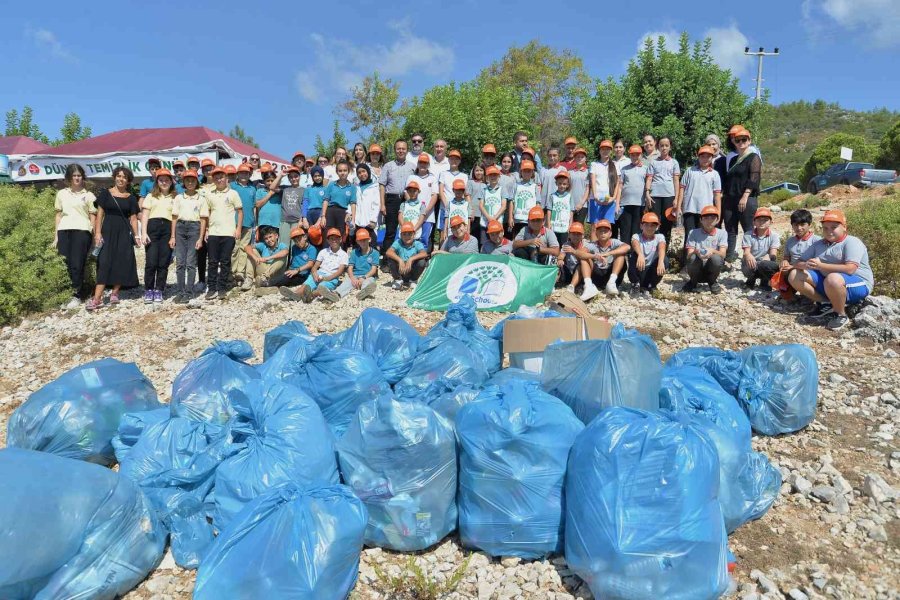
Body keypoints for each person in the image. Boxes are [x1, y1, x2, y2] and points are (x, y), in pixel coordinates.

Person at [789, 209, 873, 330]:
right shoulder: (819, 244)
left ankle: (841, 315)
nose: (829, 231)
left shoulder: (852, 242)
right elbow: (797, 263)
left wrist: (820, 266)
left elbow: (850, 269)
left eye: (834, 227)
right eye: (825, 228)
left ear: (844, 227)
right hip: (830, 283)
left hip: (858, 283)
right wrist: (807, 265)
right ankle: (826, 304)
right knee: (795, 275)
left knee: (833, 278)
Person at [87, 166, 140, 311]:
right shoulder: (105, 194)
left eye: (124, 177)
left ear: (128, 181)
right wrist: (97, 233)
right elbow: (100, 214)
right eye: (119, 176)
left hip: (124, 233)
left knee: (121, 260)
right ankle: (97, 298)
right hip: (107, 232)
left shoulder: (131, 198)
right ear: (114, 177)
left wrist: (136, 236)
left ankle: (115, 293)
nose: (121, 179)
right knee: (104, 262)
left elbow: (134, 218)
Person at [54, 164, 96, 308]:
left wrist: (93, 232)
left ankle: (76, 295)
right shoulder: (61, 194)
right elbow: (58, 215)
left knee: (77, 264)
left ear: (82, 177)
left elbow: (93, 216)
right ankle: (65, 294)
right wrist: (56, 236)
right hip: (64, 230)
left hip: (82, 230)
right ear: (69, 178)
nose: (77, 178)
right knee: (64, 262)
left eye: (79, 175)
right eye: (74, 175)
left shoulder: (89, 195)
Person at [199, 166, 243, 300]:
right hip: (213, 232)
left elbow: (240, 211)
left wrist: (238, 229)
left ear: (226, 178)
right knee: (212, 262)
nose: (219, 179)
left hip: (229, 232)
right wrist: (206, 230)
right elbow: (206, 214)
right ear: (213, 179)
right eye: (216, 177)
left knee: (225, 261)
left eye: (221, 177)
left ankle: (222, 288)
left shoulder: (233, 193)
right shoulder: (209, 194)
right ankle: (211, 288)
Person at [723, 127, 762, 262]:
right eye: (738, 140)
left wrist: (745, 195)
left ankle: (750, 257)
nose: (741, 142)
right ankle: (729, 258)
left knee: (748, 229)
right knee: (730, 229)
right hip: (730, 199)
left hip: (746, 198)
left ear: (749, 140)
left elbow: (754, 178)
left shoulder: (754, 157)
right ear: (734, 142)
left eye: (744, 139)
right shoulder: (733, 160)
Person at [280, 227, 347, 302]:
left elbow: (340, 271)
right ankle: (295, 294)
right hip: (319, 273)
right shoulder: (323, 252)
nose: (334, 240)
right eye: (331, 238)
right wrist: (314, 273)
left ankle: (310, 295)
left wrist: (328, 278)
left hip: (332, 276)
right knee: (307, 284)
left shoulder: (344, 254)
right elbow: (315, 266)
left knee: (321, 288)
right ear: (328, 240)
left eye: (336, 238)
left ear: (340, 239)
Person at [140, 167, 177, 303]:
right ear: (157, 182)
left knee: (163, 262)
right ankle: (149, 290)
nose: (164, 182)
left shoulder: (175, 197)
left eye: (166, 180)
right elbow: (145, 215)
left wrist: (173, 236)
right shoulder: (151, 196)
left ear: (171, 182)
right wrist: (143, 233)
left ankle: (159, 289)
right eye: (161, 180)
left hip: (167, 229)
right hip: (152, 228)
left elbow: (175, 218)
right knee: (151, 261)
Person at [675, 145, 722, 244]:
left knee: (704, 236)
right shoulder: (690, 171)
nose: (705, 159)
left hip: (706, 211)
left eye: (708, 156)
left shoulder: (715, 174)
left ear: (712, 158)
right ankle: (688, 258)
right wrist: (679, 207)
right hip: (689, 209)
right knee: (689, 235)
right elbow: (682, 189)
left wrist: (718, 212)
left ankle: (702, 258)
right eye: (702, 156)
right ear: (698, 157)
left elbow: (717, 196)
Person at [171, 169, 204, 303]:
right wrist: (172, 236)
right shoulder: (179, 197)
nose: (190, 182)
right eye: (187, 180)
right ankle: (180, 291)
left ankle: (189, 292)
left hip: (194, 228)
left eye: (193, 180)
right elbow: (174, 217)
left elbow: (203, 220)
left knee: (191, 262)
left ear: (197, 182)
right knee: (180, 262)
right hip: (180, 227)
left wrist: (201, 238)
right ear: (183, 182)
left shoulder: (201, 199)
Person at [576, 219, 629, 299]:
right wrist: (595, 256)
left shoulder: (614, 242)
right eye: (600, 231)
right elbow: (580, 253)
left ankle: (611, 282)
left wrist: (607, 254)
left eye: (605, 231)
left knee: (621, 254)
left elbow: (627, 247)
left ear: (610, 233)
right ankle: (588, 286)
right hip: (597, 275)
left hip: (610, 273)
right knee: (584, 258)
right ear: (596, 233)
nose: (603, 233)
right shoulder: (592, 244)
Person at [379, 139, 415, 255]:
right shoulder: (388, 166)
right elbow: (382, 186)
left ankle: (406, 255)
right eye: (398, 148)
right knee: (390, 231)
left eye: (403, 148)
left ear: (407, 150)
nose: (401, 151)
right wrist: (382, 204)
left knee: (408, 229)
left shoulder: (412, 167)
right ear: (395, 150)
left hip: (407, 200)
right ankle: (386, 259)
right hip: (391, 200)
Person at [258, 226, 317, 295]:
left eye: (299, 239)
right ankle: (270, 288)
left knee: (285, 278)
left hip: (301, 274)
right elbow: (293, 260)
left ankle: (265, 284)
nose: (297, 242)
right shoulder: (294, 247)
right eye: (295, 241)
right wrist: (290, 269)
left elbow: (310, 264)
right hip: (291, 271)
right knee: (283, 277)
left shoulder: (312, 249)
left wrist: (297, 270)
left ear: (305, 237)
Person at [684, 205, 728, 294]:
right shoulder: (693, 232)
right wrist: (697, 251)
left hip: (711, 267)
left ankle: (712, 282)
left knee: (717, 258)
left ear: (717, 220)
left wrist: (712, 251)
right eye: (706, 218)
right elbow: (688, 255)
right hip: (697, 266)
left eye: (712, 218)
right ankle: (693, 281)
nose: (709, 221)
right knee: (692, 257)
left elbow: (723, 254)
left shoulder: (722, 233)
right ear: (701, 220)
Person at [645, 136, 680, 245]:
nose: (664, 148)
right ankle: (652, 245)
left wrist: (676, 198)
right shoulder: (653, 162)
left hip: (669, 195)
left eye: (666, 145)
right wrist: (647, 193)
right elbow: (649, 178)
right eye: (661, 145)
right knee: (654, 221)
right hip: (655, 195)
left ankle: (664, 247)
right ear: (658, 147)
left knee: (667, 222)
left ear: (670, 147)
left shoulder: (674, 162)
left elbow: (676, 180)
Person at [331, 228, 379, 301]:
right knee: (347, 283)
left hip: (367, 276)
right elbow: (350, 268)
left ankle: (364, 292)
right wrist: (352, 278)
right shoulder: (354, 252)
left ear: (369, 239)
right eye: (360, 240)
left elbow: (373, 269)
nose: (363, 242)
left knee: (368, 282)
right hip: (355, 275)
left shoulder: (375, 253)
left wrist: (364, 277)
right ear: (357, 241)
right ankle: (336, 294)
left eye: (365, 240)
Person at [615, 144, 649, 244]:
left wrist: (647, 205)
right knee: (625, 230)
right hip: (625, 204)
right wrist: (617, 204)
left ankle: (634, 254)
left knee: (636, 231)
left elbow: (648, 188)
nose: (635, 157)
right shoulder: (624, 169)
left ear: (641, 155)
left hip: (640, 204)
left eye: (637, 155)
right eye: (632, 155)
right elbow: (620, 187)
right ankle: (624, 254)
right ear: (630, 156)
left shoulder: (646, 169)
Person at [741, 207, 781, 290]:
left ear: (771, 222)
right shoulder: (748, 235)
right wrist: (748, 255)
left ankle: (765, 281)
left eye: (765, 220)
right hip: (753, 262)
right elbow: (746, 252)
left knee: (768, 263)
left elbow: (773, 254)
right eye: (759, 220)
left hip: (764, 262)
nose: (762, 222)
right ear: (754, 222)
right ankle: (750, 280)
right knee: (748, 262)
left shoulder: (774, 236)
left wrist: (769, 256)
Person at [230, 163, 257, 286]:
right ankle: (233, 271)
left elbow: (254, 207)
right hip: (235, 222)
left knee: (244, 248)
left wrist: (255, 223)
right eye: (242, 173)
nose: (244, 175)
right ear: (237, 174)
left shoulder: (252, 188)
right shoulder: (232, 186)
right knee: (234, 248)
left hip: (249, 222)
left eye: (246, 173)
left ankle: (240, 272)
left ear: (249, 174)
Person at [588, 139, 619, 240]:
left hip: (609, 199)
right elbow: (593, 180)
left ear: (611, 151)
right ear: (599, 150)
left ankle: (605, 252)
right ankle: (594, 252)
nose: (605, 151)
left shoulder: (615, 165)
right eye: (603, 149)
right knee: (595, 226)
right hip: (595, 199)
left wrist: (613, 198)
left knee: (607, 227)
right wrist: (595, 195)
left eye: (608, 149)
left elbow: (617, 183)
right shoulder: (594, 164)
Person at [629, 212, 667, 295]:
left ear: (657, 227)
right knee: (633, 255)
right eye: (646, 225)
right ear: (641, 226)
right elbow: (635, 243)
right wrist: (640, 254)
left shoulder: (660, 237)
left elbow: (662, 247)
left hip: (651, 271)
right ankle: (635, 284)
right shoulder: (636, 236)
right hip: (639, 269)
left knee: (664, 259)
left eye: (653, 225)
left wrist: (661, 262)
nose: (649, 228)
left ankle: (652, 285)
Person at [385, 221, 429, 290]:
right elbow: (388, 252)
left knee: (422, 261)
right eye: (404, 234)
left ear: (414, 234)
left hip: (411, 271)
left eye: (409, 234)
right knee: (390, 258)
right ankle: (398, 280)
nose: (407, 236)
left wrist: (411, 259)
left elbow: (424, 253)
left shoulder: (417, 243)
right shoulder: (398, 242)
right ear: (401, 235)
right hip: (400, 271)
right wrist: (400, 260)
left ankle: (413, 280)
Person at [407, 155, 438, 250]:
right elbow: (406, 194)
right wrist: (414, 209)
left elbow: (435, 195)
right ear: (417, 164)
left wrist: (424, 212)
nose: (423, 165)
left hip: (428, 216)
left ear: (428, 165)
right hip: (413, 215)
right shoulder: (411, 177)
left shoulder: (433, 178)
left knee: (424, 239)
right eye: (421, 162)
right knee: (411, 237)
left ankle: (422, 260)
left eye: (425, 163)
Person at [780, 209, 821, 279]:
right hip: (790, 269)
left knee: (794, 273)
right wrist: (785, 262)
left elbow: (817, 264)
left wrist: (793, 267)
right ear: (792, 226)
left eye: (802, 225)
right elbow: (786, 257)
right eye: (796, 225)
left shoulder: (817, 241)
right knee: (769, 266)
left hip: (808, 272)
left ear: (809, 224)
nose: (799, 228)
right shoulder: (790, 241)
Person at [437, 149, 467, 238]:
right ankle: (441, 251)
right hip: (445, 208)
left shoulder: (464, 176)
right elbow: (441, 191)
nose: (454, 161)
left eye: (457, 159)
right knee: (443, 233)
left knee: (459, 233)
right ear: (448, 160)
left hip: (459, 209)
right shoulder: (443, 174)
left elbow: (466, 194)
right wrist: (448, 206)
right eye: (452, 159)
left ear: (460, 161)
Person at [322, 160, 357, 236]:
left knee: (341, 235)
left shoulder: (352, 187)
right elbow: (326, 200)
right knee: (328, 234)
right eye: (340, 171)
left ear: (348, 171)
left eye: (345, 170)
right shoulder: (331, 184)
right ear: (337, 172)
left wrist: (353, 220)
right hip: (330, 212)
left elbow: (353, 204)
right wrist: (323, 216)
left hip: (343, 213)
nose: (342, 173)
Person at [509, 160, 541, 238]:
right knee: (517, 241)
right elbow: (511, 202)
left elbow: (538, 204)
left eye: (529, 171)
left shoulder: (535, 187)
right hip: (517, 220)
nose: (527, 173)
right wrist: (510, 217)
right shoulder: (516, 185)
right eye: (524, 171)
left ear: (532, 173)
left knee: (530, 243)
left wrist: (537, 220)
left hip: (530, 221)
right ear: (521, 172)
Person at [479, 166, 509, 246]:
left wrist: (494, 218)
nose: (493, 177)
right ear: (487, 177)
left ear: (499, 176)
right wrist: (489, 218)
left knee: (497, 245)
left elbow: (504, 206)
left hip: (497, 224)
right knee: (484, 245)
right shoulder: (483, 190)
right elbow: (481, 205)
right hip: (485, 223)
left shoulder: (503, 189)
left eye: (495, 175)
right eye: (490, 175)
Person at [275, 167, 304, 248]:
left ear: (299, 177)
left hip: (297, 221)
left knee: (295, 246)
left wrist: (301, 220)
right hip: (285, 221)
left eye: (296, 176)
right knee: (284, 246)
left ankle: (293, 261)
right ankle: (283, 261)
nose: (293, 179)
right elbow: (272, 187)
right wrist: (280, 175)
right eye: (291, 177)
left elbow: (305, 206)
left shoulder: (304, 190)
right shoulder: (285, 189)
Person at [556, 221, 590, 292]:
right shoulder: (566, 244)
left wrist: (573, 251)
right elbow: (561, 256)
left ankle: (571, 286)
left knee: (581, 265)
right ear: (569, 235)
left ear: (582, 236)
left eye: (578, 234)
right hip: (569, 271)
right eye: (573, 234)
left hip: (580, 272)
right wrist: (560, 260)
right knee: (557, 265)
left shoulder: (586, 245)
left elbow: (583, 256)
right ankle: (553, 284)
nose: (576, 236)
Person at [546, 169, 573, 247]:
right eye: (560, 183)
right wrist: (548, 223)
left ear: (567, 185)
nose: (562, 186)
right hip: (554, 226)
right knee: (553, 245)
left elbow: (571, 211)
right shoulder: (552, 196)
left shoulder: (569, 196)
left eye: (564, 184)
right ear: (556, 183)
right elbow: (549, 210)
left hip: (564, 227)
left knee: (563, 245)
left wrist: (570, 225)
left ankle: (562, 259)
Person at [355, 163, 380, 236]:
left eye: (363, 171)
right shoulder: (356, 188)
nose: (362, 174)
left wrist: (373, 220)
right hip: (358, 223)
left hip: (370, 224)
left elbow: (376, 205)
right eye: (359, 173)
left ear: (368, 172)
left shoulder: (374, 187)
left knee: (371, 245)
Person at [567, 148, 591, 225]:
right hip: (570, 204)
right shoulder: (569, 172)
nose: (580, 159)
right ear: (574, 158)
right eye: (577, 157)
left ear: (585, 159)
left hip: (582, 205)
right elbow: (567, 188)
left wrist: (581, 203)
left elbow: (588, 189)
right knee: (568, 225)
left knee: (578, 227)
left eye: (582, 157)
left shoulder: (588, 172)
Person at [443, 179, 470, 244]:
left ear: (464, 191)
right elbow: (446, 217)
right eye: (457, 189)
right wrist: (445, 231)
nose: (459, 191)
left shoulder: (467, 204)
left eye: (461, 190)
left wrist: (468, 231)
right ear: (453, 190)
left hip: (463, 231)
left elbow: (468, 218)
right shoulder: (449, 204)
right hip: (451, 231)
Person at [467, 163, 486, 243]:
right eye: (477, 170)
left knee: (482, 237)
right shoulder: (470, 182)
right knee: (473, 236)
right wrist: (471, 210)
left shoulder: (486, 184)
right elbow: (467, 196)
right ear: (473, 172)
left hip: (483, 215)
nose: (479, 172)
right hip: (474, 215)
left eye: (481, 170)